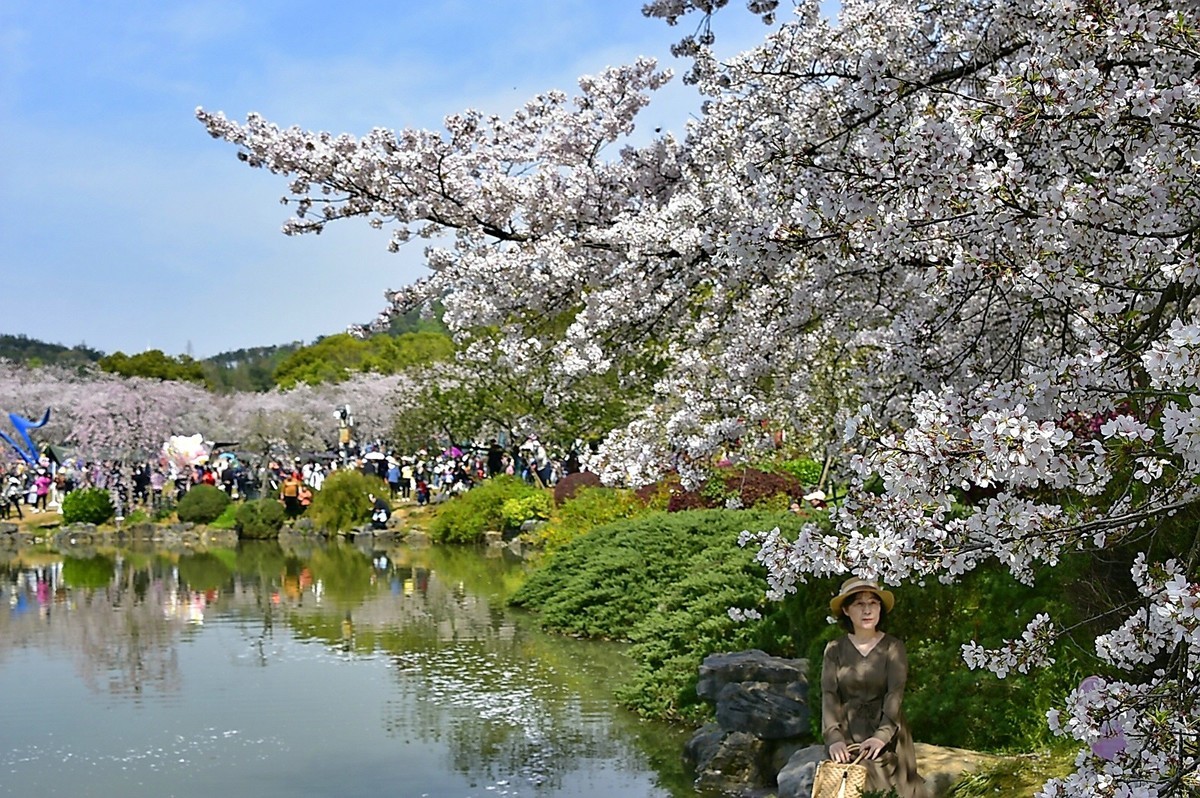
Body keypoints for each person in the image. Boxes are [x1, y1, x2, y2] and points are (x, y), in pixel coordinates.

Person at [821, 577, 928, 798]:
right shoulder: (834, 649)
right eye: (859, 604)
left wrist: (882, 735)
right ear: (846, 610)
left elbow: (895, 693)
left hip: (888, 732)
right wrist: (834, 738)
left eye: (873, 603)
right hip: (848, 733)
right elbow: (829, 695)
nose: (867, 610)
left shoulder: (893, 647)